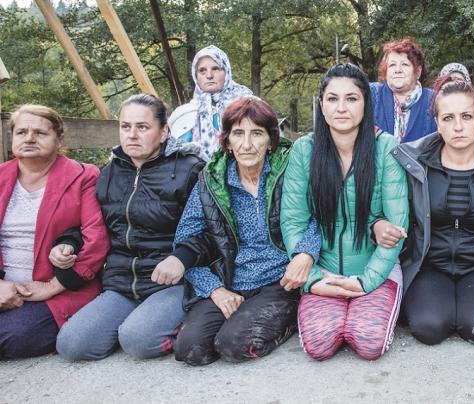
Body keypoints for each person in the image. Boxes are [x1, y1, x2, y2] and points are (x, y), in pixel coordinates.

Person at [165, 97, 320, 366]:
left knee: (233, 345)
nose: (247, 144)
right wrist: (214, 289)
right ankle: (244, 317)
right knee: (190, 349)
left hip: (280, 281)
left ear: (271, 140)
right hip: (229, 280)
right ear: (226, 141)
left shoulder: (289, 170)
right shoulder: (211, 181)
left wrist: (306, 252)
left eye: (256, 133)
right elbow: (187, 239)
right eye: (238, 133)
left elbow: (319, 215)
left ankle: (287, 318)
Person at [55, 95, 205, 360]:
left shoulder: (190, 170)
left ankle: (180, 320)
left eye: (143, 127)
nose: (132, 135)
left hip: (173, 281)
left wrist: (181, 257)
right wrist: (68, 243)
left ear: (164, 132)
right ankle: (136, 322)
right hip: (122, 283)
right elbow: (90, 225)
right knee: (72, 345)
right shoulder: (109, 173)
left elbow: (212, 229)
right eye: (126, 127)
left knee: (137, 341)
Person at [281, 63, 409, 361]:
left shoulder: (386, 147)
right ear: (321, 105)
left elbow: (396, 227)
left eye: (351, 98)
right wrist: (313, 280)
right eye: (332, 99)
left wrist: (365, 282)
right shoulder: (304, 150)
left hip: (375, 269)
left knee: (368, 342)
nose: (342, 108)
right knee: (319, 345)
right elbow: (293, 219)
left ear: (365, 103)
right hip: (323, 269)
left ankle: (367, 302)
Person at [389, 76, 474, 346]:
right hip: (430, 265)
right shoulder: (414, 165)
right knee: (429, 329)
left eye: (466, 116)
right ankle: (440, 305)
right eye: (448, 118)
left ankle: (467, 305)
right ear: (437, 124)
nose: (458, 127)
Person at [0, 105, 109, 358]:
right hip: (4, 285)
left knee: (11, 336)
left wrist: (51, 286)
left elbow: (97, 239)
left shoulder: (83, 176)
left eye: (39, 132)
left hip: (59, 290)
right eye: (21, 132)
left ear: (59, 139)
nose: (29, 138)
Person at [168, 45, 254, 160]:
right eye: (202, 70)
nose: (209, 75)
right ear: (196, 76)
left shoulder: (250, 106)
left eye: (215, 68)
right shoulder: (184, 114)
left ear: (226, 71)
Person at [370, 38, 436, 142]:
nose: (397, 70)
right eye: (392, 65)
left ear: (418, 72)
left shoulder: (434, 100)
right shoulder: (372, 94)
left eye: (404, 64)